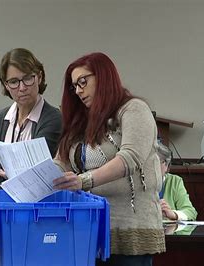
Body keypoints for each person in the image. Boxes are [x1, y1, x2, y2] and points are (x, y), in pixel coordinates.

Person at [52, 52, 165, 266]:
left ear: (103, 77)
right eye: (74, 86)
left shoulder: (134, 109)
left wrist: (83, 181)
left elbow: (130, 158)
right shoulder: (80, 122)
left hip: (129, 230)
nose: (78, 91)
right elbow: (60, 163)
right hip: (87, 229)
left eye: (83, 82)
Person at [0, 48, 62, 190]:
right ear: (6, 85)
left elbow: (37, 170)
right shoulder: (2, 117)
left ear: (39, 77)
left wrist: (0, 175)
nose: (22, 88)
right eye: (14, 82)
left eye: (28, 78)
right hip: (6, 200)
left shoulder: (53, 118)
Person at [157, 142, 198, 221]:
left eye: (156, 162)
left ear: (166, 165)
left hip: (169, 232)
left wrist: (173, 214)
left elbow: (191, 213)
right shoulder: (136, 181)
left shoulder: (174, 181)